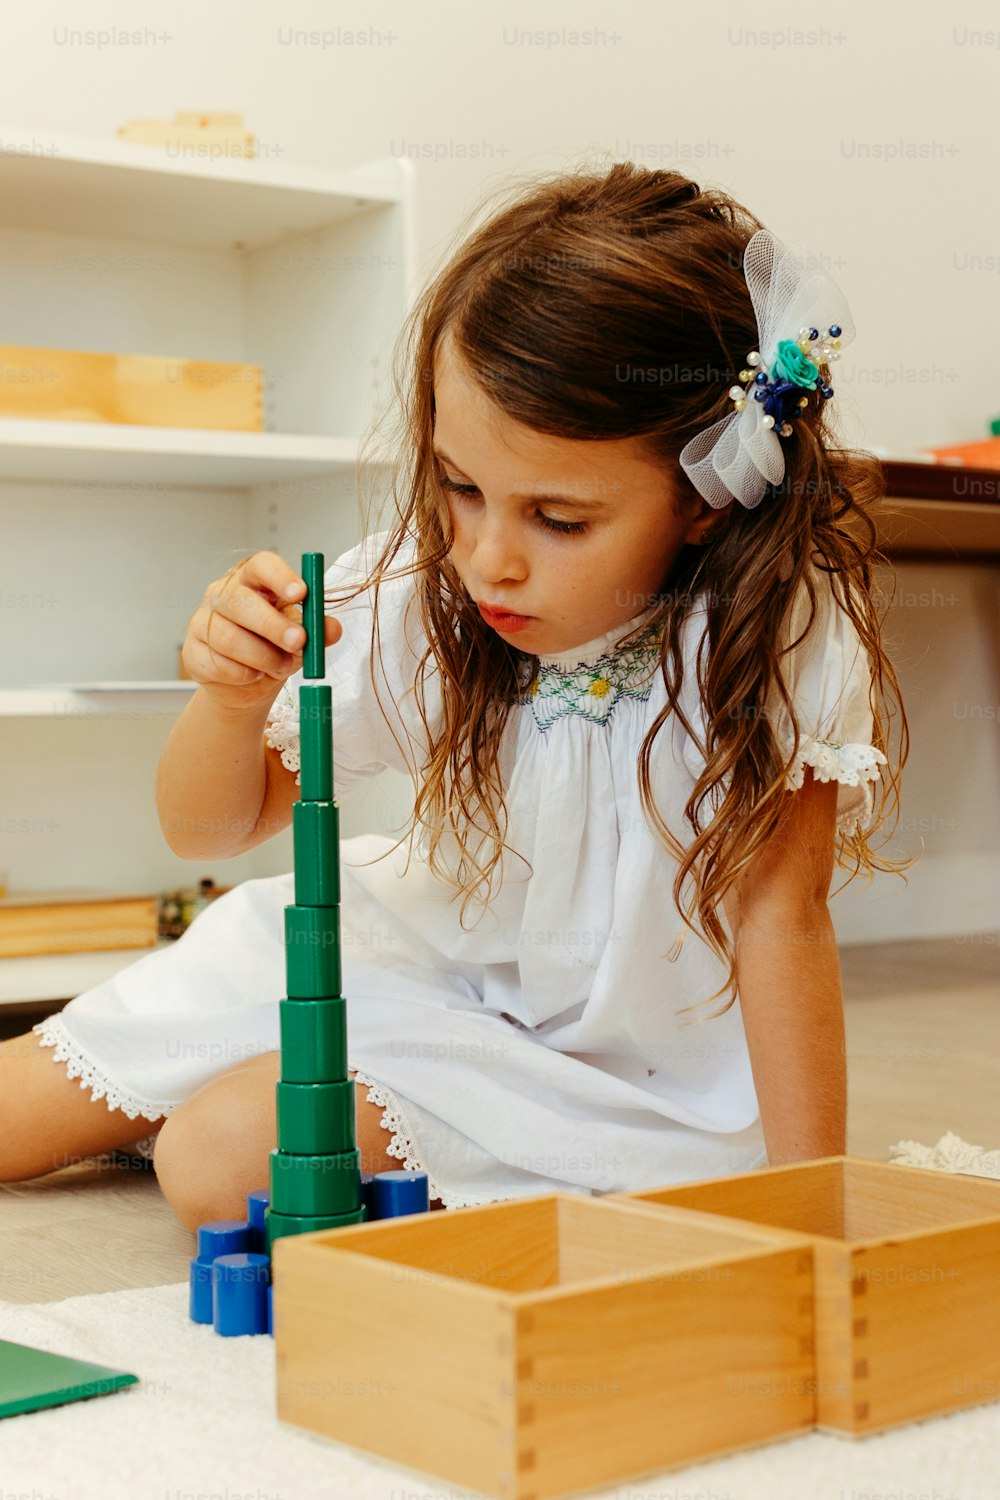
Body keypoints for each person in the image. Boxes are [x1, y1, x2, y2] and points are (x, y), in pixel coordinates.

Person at [0, 162, 909, 1232]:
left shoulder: (772, 631)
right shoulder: (411, 594)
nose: (487, 560)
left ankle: (183, 1115)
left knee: (219, 1162)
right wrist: (230, 699)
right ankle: (156, 1100)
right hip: (403, 968)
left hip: (611, 1074)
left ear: (706, 500)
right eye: (460, 487)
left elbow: (781, 920)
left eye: (558, 520)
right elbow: (211, 825)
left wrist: (811, 1207)